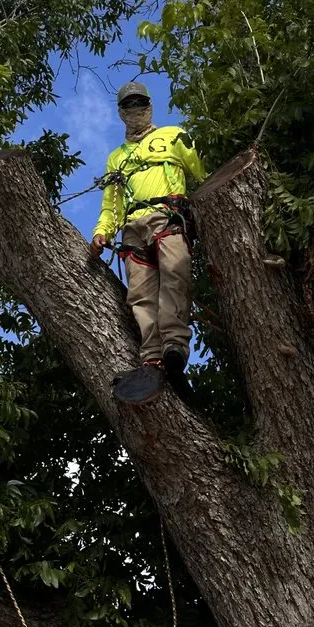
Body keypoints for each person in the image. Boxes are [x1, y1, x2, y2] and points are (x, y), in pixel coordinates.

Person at [90, 81, 205, 396]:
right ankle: (152, 358)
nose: (136, 109)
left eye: (140, 103)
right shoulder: (117, 158)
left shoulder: (174, 136)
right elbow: (110, 205)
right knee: (140, 295)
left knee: (175, 276)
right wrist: (102, 232)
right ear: (121, 112)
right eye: (129, 105)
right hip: (132, 229)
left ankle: (174, 346)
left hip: (167, 217)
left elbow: (203, 175)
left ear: (150, 105)